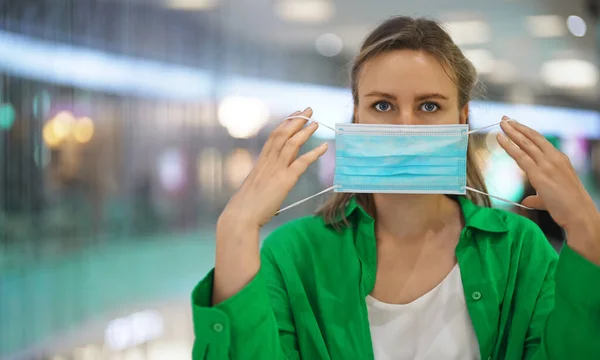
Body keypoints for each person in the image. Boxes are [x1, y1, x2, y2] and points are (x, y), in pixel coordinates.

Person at [191, 16, 600, 360]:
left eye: (429, 106)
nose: (405, 127)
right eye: (383, 105)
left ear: (463, 117)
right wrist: (236, 228)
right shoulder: (293, 255)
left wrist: (587, 229)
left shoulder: (519, 249)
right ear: (355, 116)